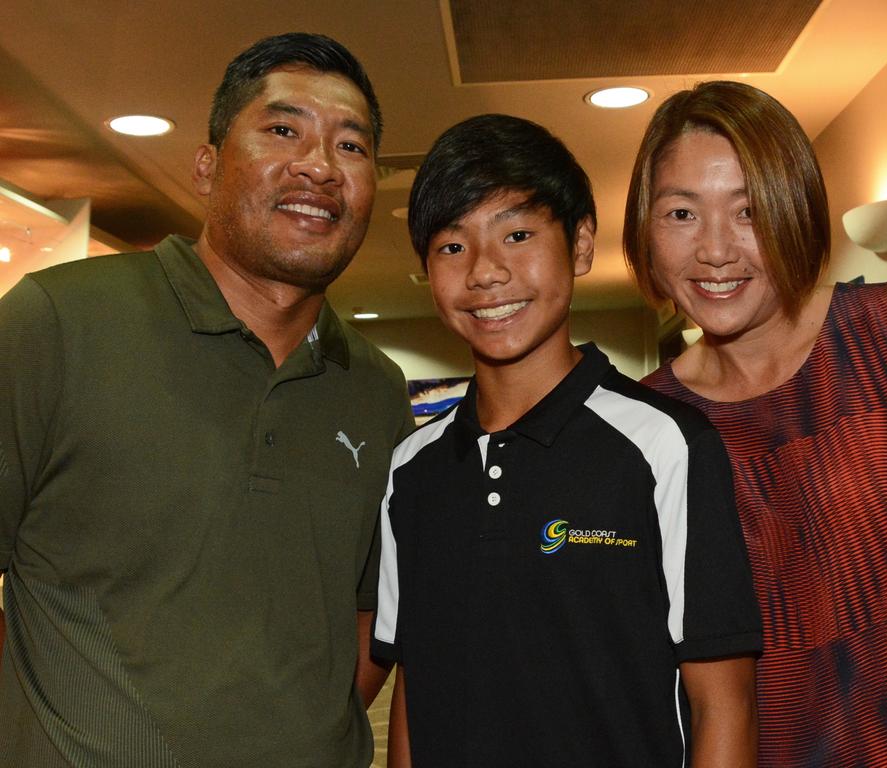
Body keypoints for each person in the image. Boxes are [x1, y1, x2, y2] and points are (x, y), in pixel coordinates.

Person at [0, 32, 413, 767]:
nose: (319, 166)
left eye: (351, 147)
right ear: (207, 165)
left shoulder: (377, 392)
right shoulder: (55, 324)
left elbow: (368, 608)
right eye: (283, 130)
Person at [626, 80, 887, 767]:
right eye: (682, 214)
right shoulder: (646, 424)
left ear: (793, 211)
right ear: (647, 231)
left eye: (748, 210)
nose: (715, 250)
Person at [371, 113, 762, 768]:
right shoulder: (412, 468)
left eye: (517, 234)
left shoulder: (665, 445)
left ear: (580, 245)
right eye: (451, 246)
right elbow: (417, 678)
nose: (486, 272)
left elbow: (726, 703)